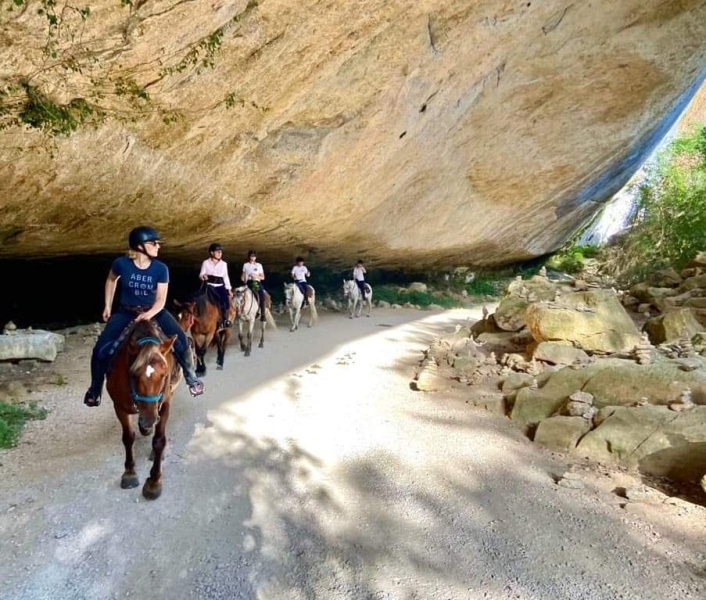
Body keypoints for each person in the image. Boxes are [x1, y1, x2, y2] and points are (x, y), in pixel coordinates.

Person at [83, 226, 204, 407]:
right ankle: (95, 389)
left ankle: (192, 378)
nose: (158, 246)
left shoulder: (161, 269)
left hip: (155, 311)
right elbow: (111, 279)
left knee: (183, 343)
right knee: (100, 349)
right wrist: (108, 305)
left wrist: (148, 314)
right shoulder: (121, 264)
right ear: (140, 246)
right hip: (126, 311)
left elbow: (161, 300)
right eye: (153, 243)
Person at [199, 243, 233, 327]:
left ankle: (225, 320)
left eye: (220, 252)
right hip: (208, 286)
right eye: (217, 252)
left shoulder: (224, 264)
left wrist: (229, 289)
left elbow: (226, 277)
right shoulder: (205, 262)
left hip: (220, 286)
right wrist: (203, 276)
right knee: (198, 298)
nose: (219, 253)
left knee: (225, 302)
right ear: (211, 252)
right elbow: (201, 274)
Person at [241, 249, 267, 322]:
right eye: (251, 256)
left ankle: (263, 314)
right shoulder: (245, 265)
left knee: (261, 296)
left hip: (256, 282)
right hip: (248, 282)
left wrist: (255, 275)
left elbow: (263, 277)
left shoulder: (259, 265)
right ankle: (240, 312)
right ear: (249, 256)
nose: (253, 257)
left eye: (254, 256)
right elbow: (242, 276)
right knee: (238, 294)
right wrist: (243, 278)